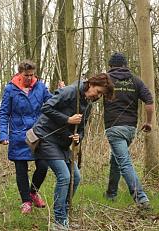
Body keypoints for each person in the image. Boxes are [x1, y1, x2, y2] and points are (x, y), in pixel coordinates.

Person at [32, 73, 115, 229]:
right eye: (97, 92)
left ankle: (66, 213)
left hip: (63, 144)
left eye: (100, 95)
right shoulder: (70, 91)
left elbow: (82, 128)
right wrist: (67, 119)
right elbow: (46, 108)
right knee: (64, 176)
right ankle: (59, 220)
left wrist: (78, 137)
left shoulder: (88, 104)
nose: (97, 96)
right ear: (91, 84)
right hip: (46, 137)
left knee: (75, 177)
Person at [0, 60, 52, 214]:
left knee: (43, 165)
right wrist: (3, 134)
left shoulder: (41, 87)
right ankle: (26, 201)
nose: (29, 78)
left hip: (38, 133)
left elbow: (51, 103)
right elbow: (3, 113)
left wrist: (60, 92)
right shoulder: (10, 89)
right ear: (20, 74)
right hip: (18, 135)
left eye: (31, 75)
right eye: (26, 75)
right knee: (21, 169)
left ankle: (33, 193)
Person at [103, 52, 154, 209]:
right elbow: (149, 102)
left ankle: (141, 198)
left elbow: (90, 94)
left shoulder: (106, 79)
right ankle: (111, 193)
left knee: (123, 162)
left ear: (110, 66)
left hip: (114, 127)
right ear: (125, 65)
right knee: (116, 159)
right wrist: (148, 122)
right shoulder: (136, 80)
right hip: (130, 128)